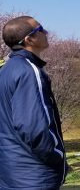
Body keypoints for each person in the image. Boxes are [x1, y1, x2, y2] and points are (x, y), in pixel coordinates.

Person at [0, 16, 68, 189]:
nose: (46, 32)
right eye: (40, 29)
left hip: (11, 172)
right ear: (29, 39)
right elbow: (33, 127)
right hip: (34, 175)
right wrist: (57, 155)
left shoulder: (6, 70)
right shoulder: (29, 71)